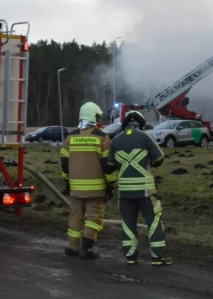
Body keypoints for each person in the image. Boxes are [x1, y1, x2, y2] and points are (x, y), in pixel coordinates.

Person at [105, 110, 173, 266]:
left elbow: (109, 166)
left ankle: (130, 256)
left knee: (128, 223)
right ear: (140, 124)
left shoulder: (115, 140)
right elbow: (159, 159)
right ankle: (158, 257)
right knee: (154, 222)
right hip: (145, 191)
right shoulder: (145, 137)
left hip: (125, 192)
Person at [60, 101, 115, 260]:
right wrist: (111, 183)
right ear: (95, 116)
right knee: (93, 218)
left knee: (75, 217)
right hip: (96, 189)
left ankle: (72, 248)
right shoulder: (102, 138)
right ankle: (87, 249)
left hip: (75, 188)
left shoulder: (70, 137)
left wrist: (67, 180)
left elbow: (64, 162)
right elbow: (107, 165)